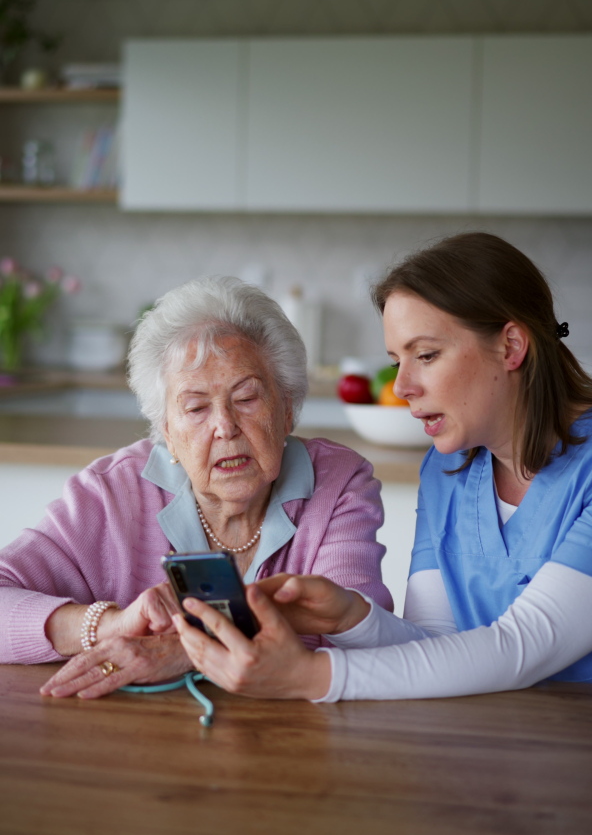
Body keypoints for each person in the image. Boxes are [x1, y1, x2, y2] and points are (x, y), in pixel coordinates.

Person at [170, 232, 592, 701]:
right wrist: (351, 618)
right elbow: (438, 649)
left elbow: (524, 645)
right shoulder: (448, 468)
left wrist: (312, 676)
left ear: (512, 346)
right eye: (397, 360)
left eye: (427, 355)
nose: (403, 385)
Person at [0, 276, 392, 697]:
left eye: (246, 398)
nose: (225, 427)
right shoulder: (111, 493)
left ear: (288, 409)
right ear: (166, 430)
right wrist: (106, 626)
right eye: (196, 407)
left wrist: (182, 648)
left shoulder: (338, 484)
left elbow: (361, 631)